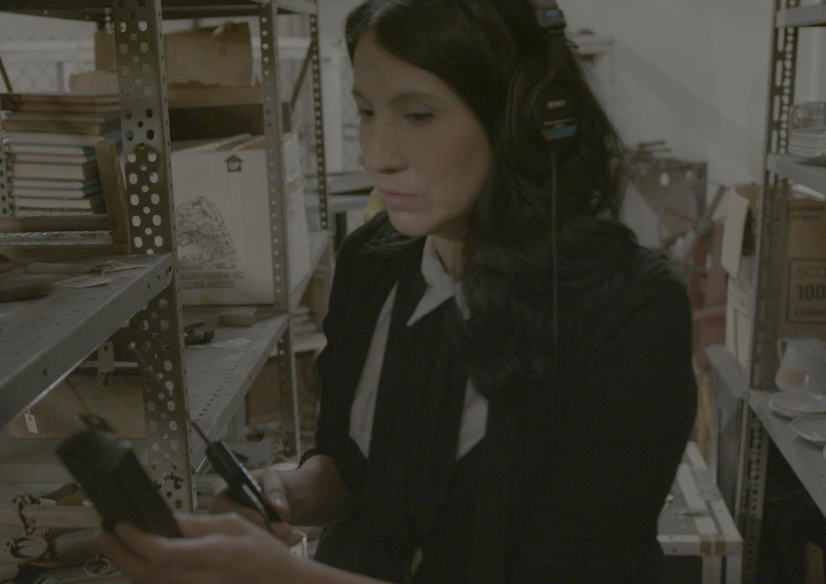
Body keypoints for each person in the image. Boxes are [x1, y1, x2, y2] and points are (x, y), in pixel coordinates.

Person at [99, 0, 697, 582]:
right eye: (366, 111)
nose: (379, 155)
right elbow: (352, 467)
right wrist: (289, 492)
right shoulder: (373, 261)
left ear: (519, 122)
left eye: (418, 115)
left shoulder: (630, 310)